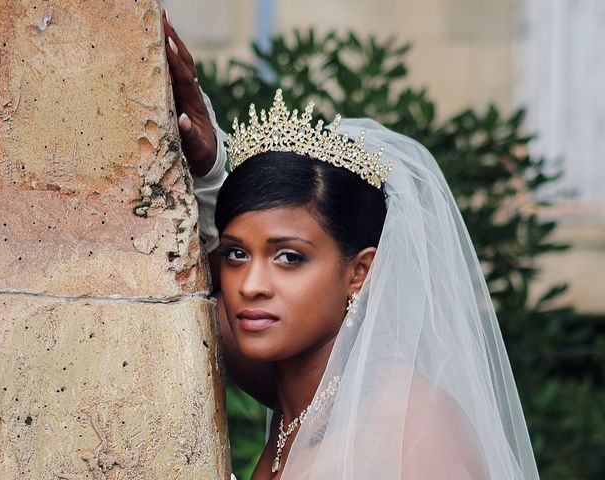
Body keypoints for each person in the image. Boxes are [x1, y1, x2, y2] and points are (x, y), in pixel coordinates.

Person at [162, 10, 539, 480]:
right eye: (238, 254)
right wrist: (212, 168)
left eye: (289, 258)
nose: (251, 285)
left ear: (359, 272)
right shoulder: (298, 391)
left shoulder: (414, 425)